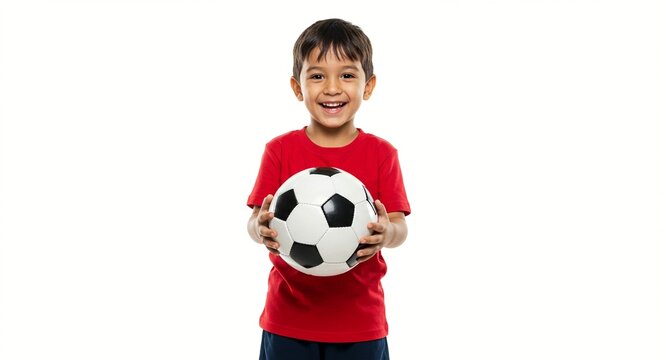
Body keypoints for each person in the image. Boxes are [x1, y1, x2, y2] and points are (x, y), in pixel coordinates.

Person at [246, 18, 411, 360]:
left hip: (360, 323)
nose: (332, 88)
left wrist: (387, 233)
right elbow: (254, 221)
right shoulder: (279, 150)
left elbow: (399, 227)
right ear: (297, 87)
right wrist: (259, 228)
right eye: (317, 75)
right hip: (287, 321)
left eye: (347, 75)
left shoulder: (382, 154)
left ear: (369, 86)